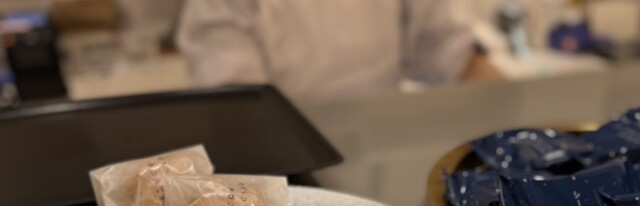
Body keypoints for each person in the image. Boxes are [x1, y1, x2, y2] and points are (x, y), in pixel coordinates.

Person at [177, 0, 502, 102]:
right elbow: (238, 105)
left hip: (382, 147)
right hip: (285, 170)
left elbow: (447, 48)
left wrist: (520, 118)